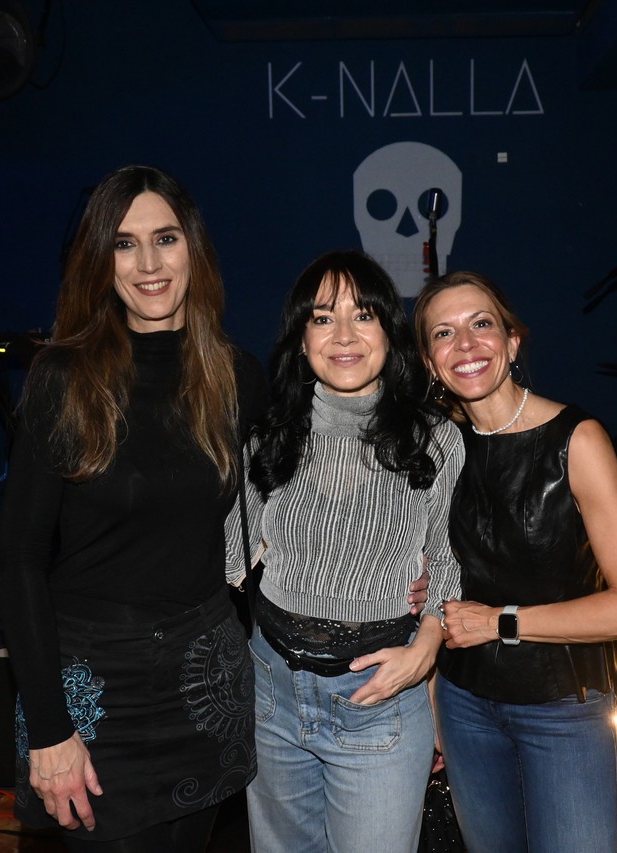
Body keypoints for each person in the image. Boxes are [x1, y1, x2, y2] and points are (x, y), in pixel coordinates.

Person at [0, 165, 265, 851]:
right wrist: (51, 727)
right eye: (124, 243)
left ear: (193, 249)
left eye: (165, 238)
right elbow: (20, 560)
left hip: (204, 683)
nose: (149, 263)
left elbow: (300, 492)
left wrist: (404, 563)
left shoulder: (235, 375)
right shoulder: (63, 379)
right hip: (91, 692)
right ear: (100, 260)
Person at [413, 271, 617, 853]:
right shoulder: (437, 448)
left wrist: (500, 621)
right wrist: (432, 704)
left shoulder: (576, 440)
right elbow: (436, 589)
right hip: (463, 704)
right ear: (429, 362)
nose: (466, 344)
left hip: (562, 709)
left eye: (481, 325)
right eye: (444, 333)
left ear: (512, 342)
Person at [227, 250, 465, 853]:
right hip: (271, 693)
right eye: (322, 318)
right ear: (301, 337)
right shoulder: (267, 434)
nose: (344, 336)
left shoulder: (436, 438)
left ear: (389, 331)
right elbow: (229, 558)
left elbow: (449, 563)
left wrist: (425, 650)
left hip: (379, 699)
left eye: (363, 315)